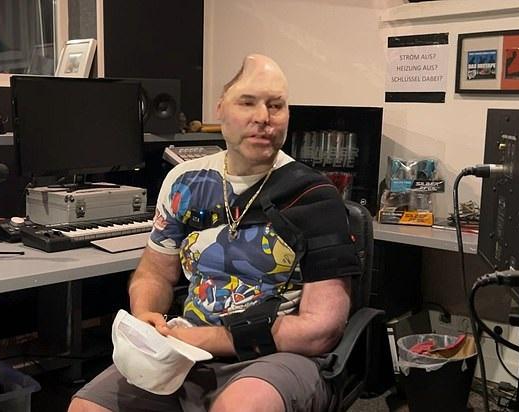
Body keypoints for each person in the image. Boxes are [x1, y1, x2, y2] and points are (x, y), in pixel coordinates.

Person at [68, 54, 360, 412]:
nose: (263, 117)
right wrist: (145, 313)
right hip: (185, 347)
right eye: (247, 102)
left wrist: (203, 338)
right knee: (87, 407)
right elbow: (155, 272)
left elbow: (320, 331)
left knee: (238, 407)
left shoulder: (315, 197)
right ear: (220, 109)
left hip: (278, 356)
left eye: (275, 105)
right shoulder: (184, 181)